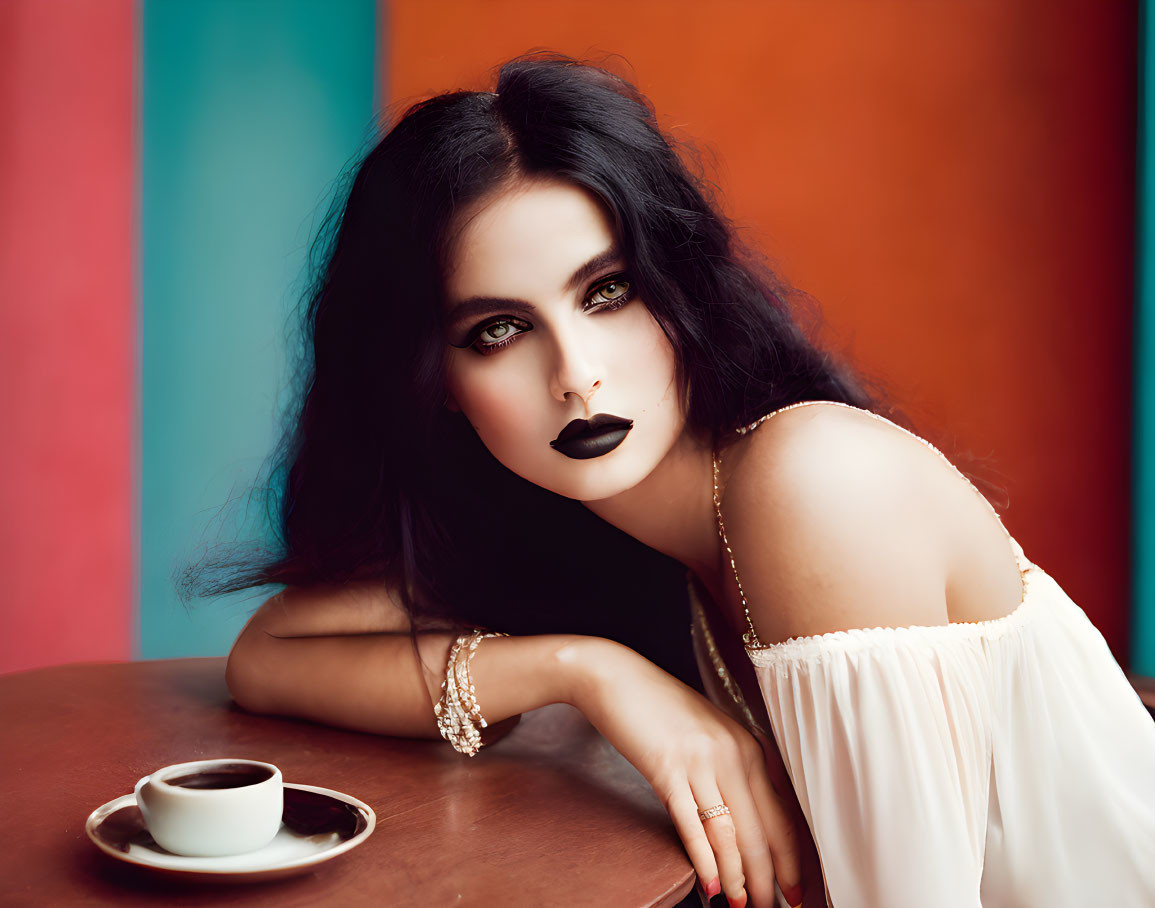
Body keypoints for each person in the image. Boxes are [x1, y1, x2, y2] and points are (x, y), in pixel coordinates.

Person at [201, 54, 1155, 907]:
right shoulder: (592, 539)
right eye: (498, 330)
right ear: (436, 385)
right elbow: (270, 654)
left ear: (680, 285)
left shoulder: (813, 480)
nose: (574, 373)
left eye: (606, 292)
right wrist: (585, 672)